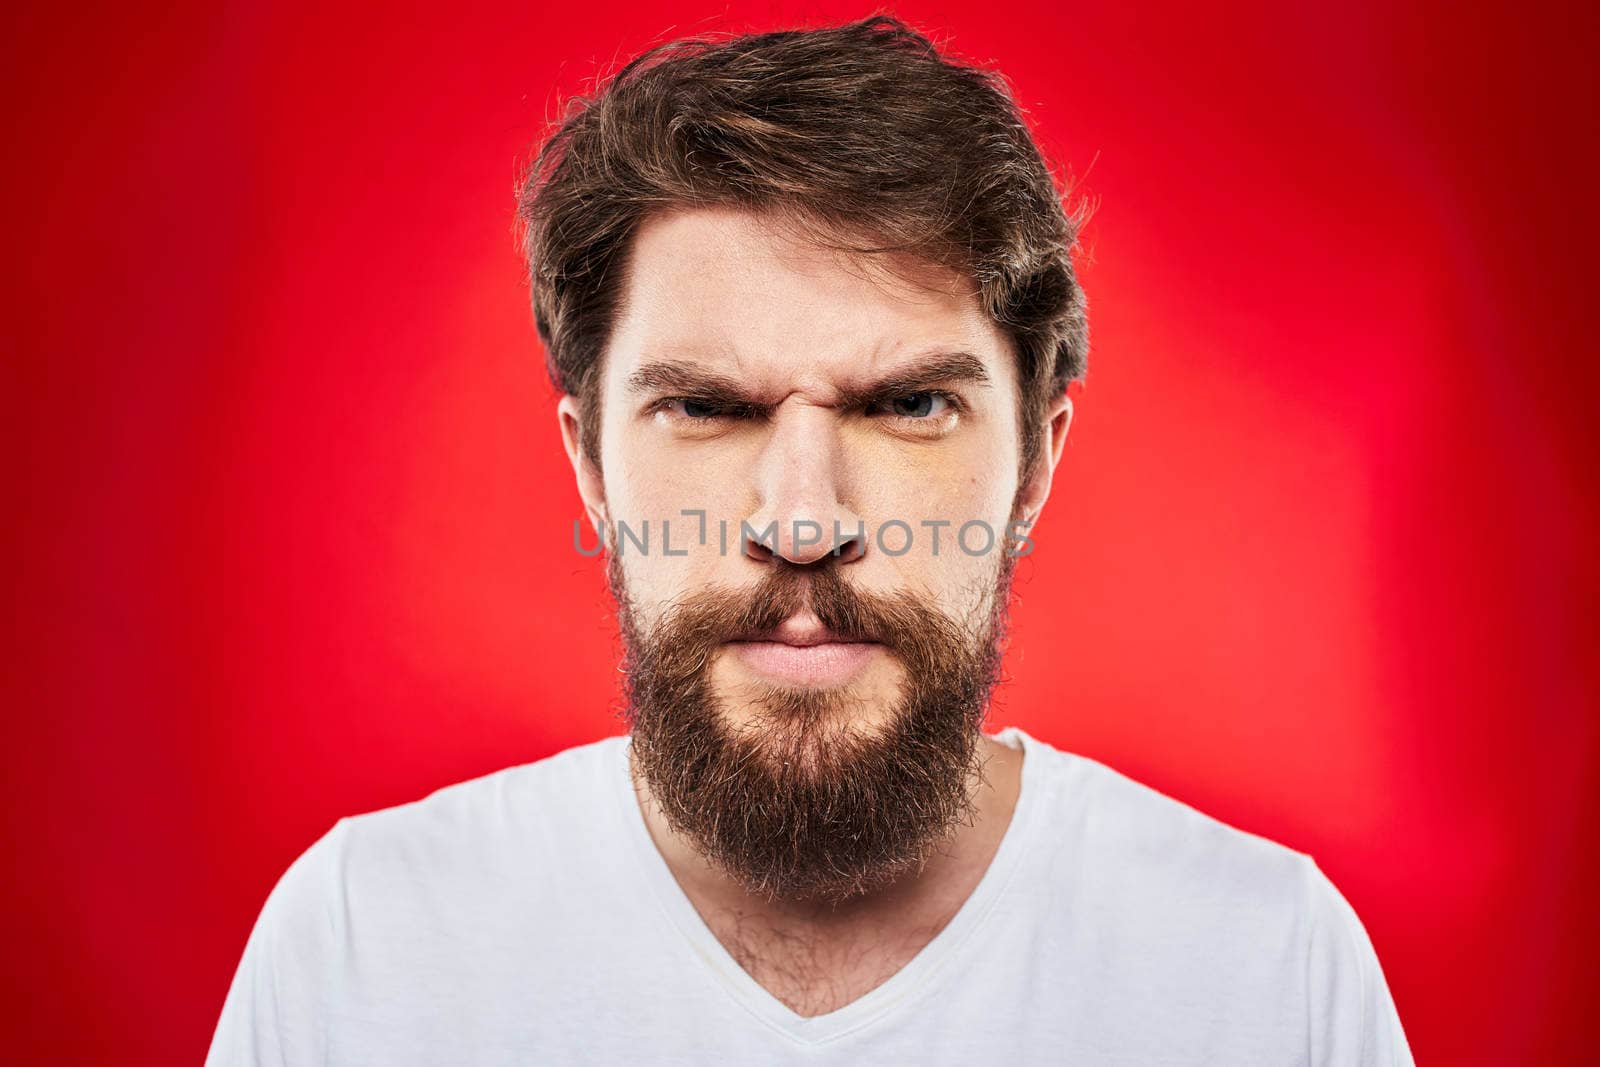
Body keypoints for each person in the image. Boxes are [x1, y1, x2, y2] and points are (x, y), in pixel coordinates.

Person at [207, 16, 1412, 1065]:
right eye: (709, 407)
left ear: (1036, 460)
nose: (804, 520)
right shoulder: (359, 950)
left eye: (904, 405)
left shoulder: (1268, 970)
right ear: (588, 462)